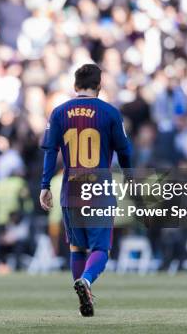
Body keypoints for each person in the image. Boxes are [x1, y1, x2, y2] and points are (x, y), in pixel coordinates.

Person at [39, 64, 132, 317]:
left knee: (76, 249)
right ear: (99, 86)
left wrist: (45, 185)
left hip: (71, 187)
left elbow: (50, 151)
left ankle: (84, 296)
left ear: (75, 86)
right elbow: (124, 152)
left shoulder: (59, 112)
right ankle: (87, 280)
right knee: (101, 249)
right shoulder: (110, 113)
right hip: (99, 188)